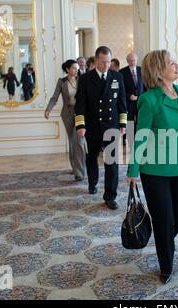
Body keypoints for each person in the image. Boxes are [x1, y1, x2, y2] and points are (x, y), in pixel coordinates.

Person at [126, 50, 178, 285]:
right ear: (159, 70)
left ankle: (164, 240)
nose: (177, 66)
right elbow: (141, 135)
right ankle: (166, 264)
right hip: (155, 170)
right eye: (171, 63)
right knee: (163, 217)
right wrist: (132, 170)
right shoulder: (149, 99)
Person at [75, 46, 127, 210]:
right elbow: (80, 105)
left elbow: (122, 102)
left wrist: (123, 123)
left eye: (109, 61)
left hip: (111, 126)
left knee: (111, 163)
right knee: (91, 158)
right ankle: (92, 182)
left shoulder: (117, 76)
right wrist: (80, 125)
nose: (106, 65)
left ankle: (110, 196)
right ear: (96, 60)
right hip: (93, 126)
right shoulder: (85, 79)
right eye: (103, 62)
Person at [45, 59, 87, 182]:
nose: (76, 70)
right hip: (67, 115)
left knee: (80, 141)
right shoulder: (62, 82)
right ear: (68, 69)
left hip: (80, 114)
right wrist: (48, 110)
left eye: (77, 68)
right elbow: (54, 98)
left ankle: (80, 172)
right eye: (73, 68)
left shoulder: (82, 80)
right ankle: (75, 167)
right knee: (73, 141)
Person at [119, 52, 145, 145]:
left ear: (136, 60)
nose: (132, 62)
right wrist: (129, 96)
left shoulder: (141, 70)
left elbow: (145, 85)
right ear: (127, 61)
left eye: (134, 60)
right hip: (128, 101)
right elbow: (121, 89)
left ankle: (138, 138)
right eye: (130, 61)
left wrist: (143, 97)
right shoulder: (122, 72)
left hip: (140, 100)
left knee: (140, 119)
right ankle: (129, 140)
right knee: (129, 121)